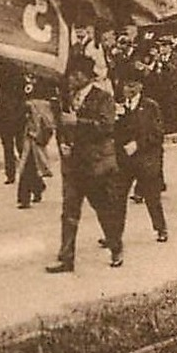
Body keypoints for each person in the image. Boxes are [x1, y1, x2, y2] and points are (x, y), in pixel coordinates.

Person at [47, 55, 123, 272]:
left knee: (103, 209)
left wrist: (77, 123)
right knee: (69, 212)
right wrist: (62, 143)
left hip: (95, 164)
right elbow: (61, 125)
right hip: (73, 165)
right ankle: (66, 258)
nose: (70, 79)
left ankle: (116, 247)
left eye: (75, 75)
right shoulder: (67, 98)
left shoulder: (103, 97)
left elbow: (107, 126)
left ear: (85, 77)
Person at [112, 68, 168, 243]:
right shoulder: (119, 107)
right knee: (117, 197)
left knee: (152, 197)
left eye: (131, 86)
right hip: (124, 159)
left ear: (140, 87)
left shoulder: (150, 106)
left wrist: (138, 144)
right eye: (125, 86)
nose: (127, 90)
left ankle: (160, 228)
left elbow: (157, 133)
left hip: (146, 158)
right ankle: (113, 234)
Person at [16, 76, 56, 210]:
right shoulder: (20, 77)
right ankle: (37, 187)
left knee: (28, 164)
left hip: (35, 130)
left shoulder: (43, 79)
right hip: (26, 130)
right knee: (30, 163)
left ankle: (24, 198)